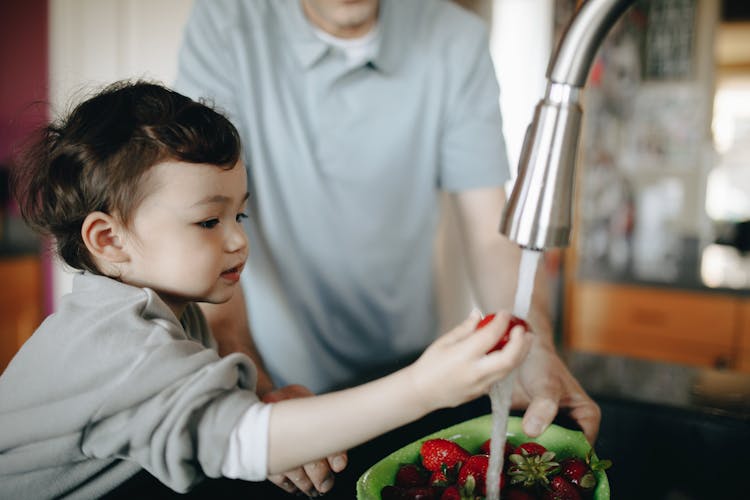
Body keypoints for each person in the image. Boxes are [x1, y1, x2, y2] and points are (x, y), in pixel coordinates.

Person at [0, 80, 533, 499]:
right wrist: (423, 388)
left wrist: (272, 410)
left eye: (241, 212)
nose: (238, 238)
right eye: (209, 221)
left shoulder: (164, 311)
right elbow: (240, 441)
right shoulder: (115, 348)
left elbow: (206, 416)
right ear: (109, 239)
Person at [175, 0, 602, 494]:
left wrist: (535, 346)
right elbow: (203, 223)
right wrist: (254, 386)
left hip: (412, 370)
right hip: (276, 376)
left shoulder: (454, 38)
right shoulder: (224, 25)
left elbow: (490, 234)